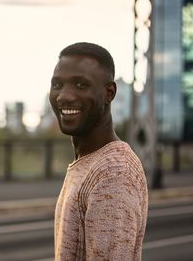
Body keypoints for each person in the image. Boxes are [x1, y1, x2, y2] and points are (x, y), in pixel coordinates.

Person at [50, 42, 148, 260]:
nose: (64, 95)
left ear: (109, 93)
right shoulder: (89, 162)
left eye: (80, 85)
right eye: (57, 84)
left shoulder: (114, 172)